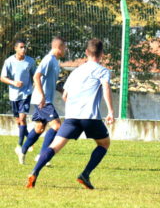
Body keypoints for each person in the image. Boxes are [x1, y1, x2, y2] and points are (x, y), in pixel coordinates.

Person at [26, 38, 114, 189]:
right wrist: (111, 111)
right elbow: (106, 88)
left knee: (54, 146)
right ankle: (85, 174)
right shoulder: (103, 71)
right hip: (89, 116)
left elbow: (65, 95)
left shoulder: (76, 71)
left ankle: (34, 171)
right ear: (102, 54)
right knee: (104, 144)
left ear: (86, 52)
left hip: (72, 116)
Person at [15, 36, 66, 164]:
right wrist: (42, 95)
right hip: (43, 100)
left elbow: (51, 81)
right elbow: (36, 76)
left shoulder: (55, 61)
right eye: (64, 47)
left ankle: (22, 150)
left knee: (39, 128)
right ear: (58, 48)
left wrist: (61, 90)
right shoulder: (48, 59)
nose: (66, 50)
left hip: (43, 99)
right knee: (57, 126)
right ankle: (42, 155)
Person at [1, 40, 36, 149]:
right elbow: (2, 78)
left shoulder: (30, 61)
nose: (23, 49)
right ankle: (29, 139)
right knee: (18, 120)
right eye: (21, 47)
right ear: (15, 49)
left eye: (24, 47)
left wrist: (35, 86)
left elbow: (35, 76)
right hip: (13, 95)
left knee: (22, 118)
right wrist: (13, 82)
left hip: (26, 94)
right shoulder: (9, 61)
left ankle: (20, 145)